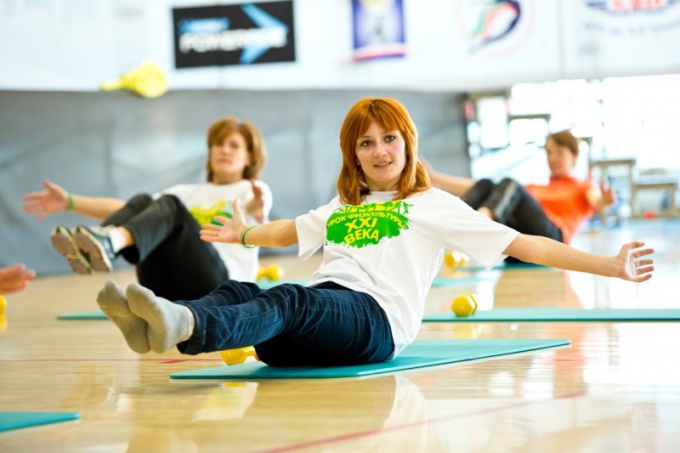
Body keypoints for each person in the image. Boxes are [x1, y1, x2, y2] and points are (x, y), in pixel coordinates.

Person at [93, 98, 653, 366]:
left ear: (407, 144)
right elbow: (292, 229)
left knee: (288, 299)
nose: (379, 150)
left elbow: (526, 243)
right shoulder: (346, 202)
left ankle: (184, 323)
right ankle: (160, 326)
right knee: (245, 293)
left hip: (376, 324)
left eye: (389, 139)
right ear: (354, 156)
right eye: (366, 143)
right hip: (316, 329)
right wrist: (244, 235)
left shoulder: (432, 204)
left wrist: (610, 266)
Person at [22, 117, 271, 300]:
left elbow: (259, 208)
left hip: (224, 289)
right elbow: (130, 212)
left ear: (249, 157)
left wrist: (258, 203)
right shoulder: (187, 192)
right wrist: (69, 201)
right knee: (142, 203)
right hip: (172, 291)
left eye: (234, 145)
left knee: (170, 206)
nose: (224, 149)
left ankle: (107, 245)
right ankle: (100, 244)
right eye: (218, 143)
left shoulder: (251, 190)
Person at [425, 130, 615, 246]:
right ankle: (454, 222)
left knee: (510, 185)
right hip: (521, 244)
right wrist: (434, 178)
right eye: (549, 153)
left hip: (553, 239)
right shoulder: (535, 189)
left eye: (559, 153)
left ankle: (477, 222)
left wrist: (604, 201)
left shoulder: (583, 186)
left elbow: (596, 201)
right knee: (488, 184)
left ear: (574, 156)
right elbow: (477, 187)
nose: (553, 158)